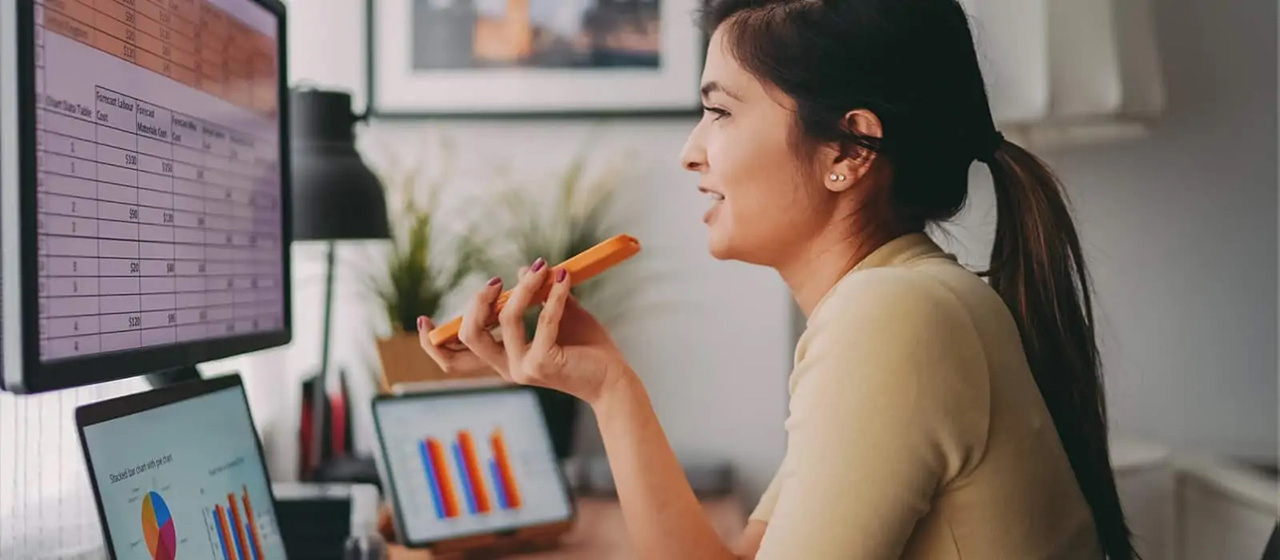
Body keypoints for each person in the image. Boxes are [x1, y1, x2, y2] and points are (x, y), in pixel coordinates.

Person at [417, 0, 1138, 558]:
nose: (690, 154)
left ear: (850, 150)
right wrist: (607, 383)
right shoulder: (894, 301)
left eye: (719, 112)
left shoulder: (895, 317)